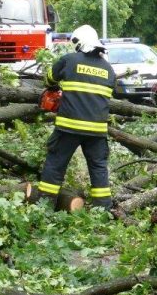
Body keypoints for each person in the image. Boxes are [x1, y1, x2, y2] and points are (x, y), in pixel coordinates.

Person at [34, 24, 116, 209]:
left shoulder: (69, 60)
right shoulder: (109, 69)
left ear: (79, 42)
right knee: (98, 169)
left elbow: (49, 80)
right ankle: (103, 210)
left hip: (68, 128)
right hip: (97, 130)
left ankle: (44, 208)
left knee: (55, 165)